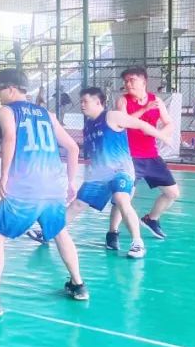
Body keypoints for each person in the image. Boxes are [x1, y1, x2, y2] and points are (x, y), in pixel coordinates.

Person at [0, 69, 88, 318]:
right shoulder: (47, 114)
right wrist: (70, 182)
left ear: (10, 89)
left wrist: (4, 175)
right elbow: (73, 148)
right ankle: (78, 285)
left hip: (26, 186)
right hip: (53, 186)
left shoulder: (7, 111)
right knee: (60, 231)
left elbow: (9, 138)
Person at [69, 88, 173, 259]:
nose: (82, 105)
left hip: (120, 170)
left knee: (121, 199)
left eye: (85, 101)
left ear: (98, 102)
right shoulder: (88, 126)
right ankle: (51, 232)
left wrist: (163, 137)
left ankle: (137, 243)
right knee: (77, 204)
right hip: (99, 174)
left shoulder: (112, 116)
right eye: (80, 101)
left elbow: (140, 124)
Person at [117, 67, 180, 240]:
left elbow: (169, 123)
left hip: (151, 155)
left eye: (132, 80)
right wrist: (145, 109)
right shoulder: (123, 100)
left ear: (144, 82)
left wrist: (161, 134)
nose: (128, 84)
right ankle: (113, 232)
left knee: (172, 193)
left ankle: (152, 219)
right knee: (124, 197)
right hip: (130, 157)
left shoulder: (156, 100)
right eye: (126, 81)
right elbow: (124, 122)